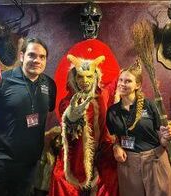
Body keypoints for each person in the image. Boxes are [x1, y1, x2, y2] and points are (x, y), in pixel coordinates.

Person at [0, 37, 57, 196]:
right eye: (32, 55)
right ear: (21, 56)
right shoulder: (1, 80)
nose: (37, 60)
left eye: (42, 57)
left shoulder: (49, 85)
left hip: (30, 167)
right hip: (1, 165)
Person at [49, 52, 119, 196]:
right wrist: (72, 118)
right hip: (75, 153)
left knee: (112, 177)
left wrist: (129, 72)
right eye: (80, 76)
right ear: (74, 78)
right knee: (60, 179)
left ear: (95, 77)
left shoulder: (103, 95)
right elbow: (68, 131)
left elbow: (117, 82)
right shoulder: (67, 102)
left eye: (89, 76)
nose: (84, 81)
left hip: (102, 150)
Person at [106, 59, 171, 196]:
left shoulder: (149, 106)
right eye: (120, 80)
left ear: (137, 85)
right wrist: (116, 147)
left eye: (128, 81)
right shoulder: (112, 111)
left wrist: (167, 136)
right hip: (128, 164)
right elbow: (112, 138)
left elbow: (161, 138)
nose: (122, 84)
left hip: (154, 161)